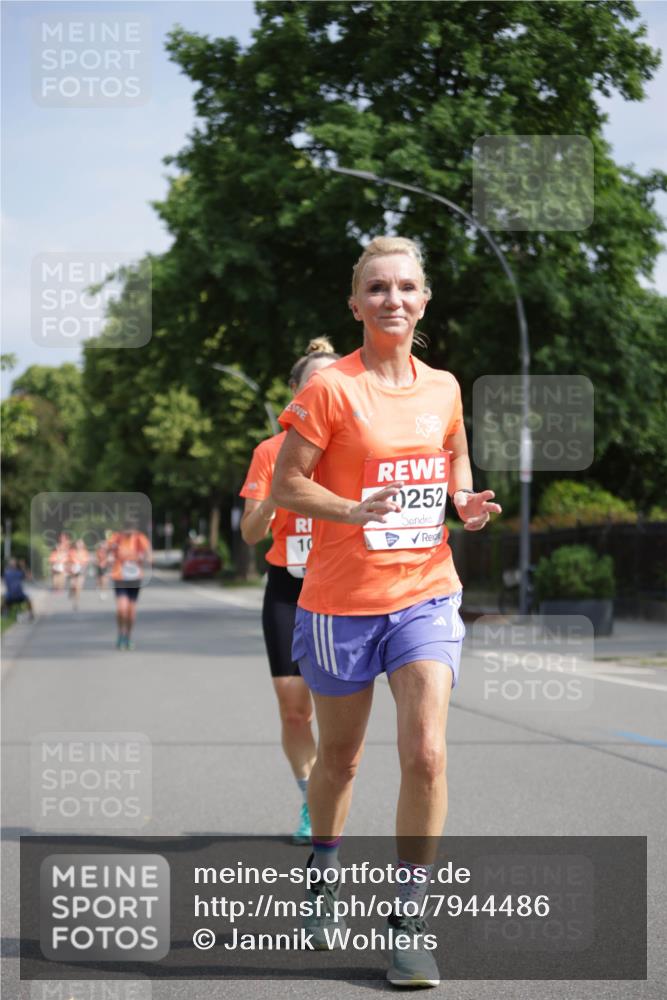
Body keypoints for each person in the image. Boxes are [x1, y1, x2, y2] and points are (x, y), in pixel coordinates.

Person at [272, 237, 501, 987]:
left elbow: (453, 457)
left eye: (405, 287)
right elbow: (286, 487)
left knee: (426, 752)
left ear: (423, 299)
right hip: (339, 604)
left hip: (425, 590)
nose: (391, 300)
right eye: (376, 289)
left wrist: (462, 499)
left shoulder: (443, 387)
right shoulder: (329, 390)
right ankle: (323, 871)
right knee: (339, 761)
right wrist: (350, 508)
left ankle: (407, 917)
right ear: (354, 303)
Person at [240, 337, 339, 845]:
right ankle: (309, 797)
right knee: (294, 707)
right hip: (286, 586)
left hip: (341, 586)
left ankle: (330, 793)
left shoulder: (353, 444)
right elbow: (251, 534)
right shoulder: (270, 451)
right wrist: (272, 503)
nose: (322, 389)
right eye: (312, 383)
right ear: (295, 394)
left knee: (335, 708)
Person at [107, 524, 151, 650]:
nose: (129, 532)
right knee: (122, 608)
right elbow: (107, 550)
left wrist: (144, 558)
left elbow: (149, 555)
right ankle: (121, 633)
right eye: (126, 529)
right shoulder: (116, 538)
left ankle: (128, 636)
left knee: (131, 612)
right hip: (120, 577)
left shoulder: (139, 538)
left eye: (131, 530)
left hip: (135, 578)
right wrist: (110, 557)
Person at [66, 538, 89, 611]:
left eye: (81, 544)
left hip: (81, 572)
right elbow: (68, 562)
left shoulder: (85, 552)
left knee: (78, 587)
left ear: (83, 545)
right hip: (73, 571)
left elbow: (86, 563)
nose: (79, 545)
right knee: (73, 585)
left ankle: (76, 602)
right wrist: (70, 568)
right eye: (78, 543)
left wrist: (84, 568)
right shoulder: (71, 552)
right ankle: (71, 591)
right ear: (76, 544)